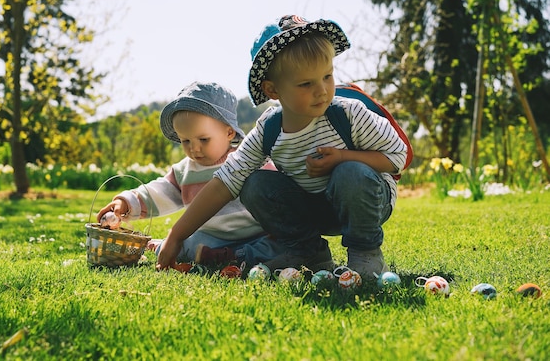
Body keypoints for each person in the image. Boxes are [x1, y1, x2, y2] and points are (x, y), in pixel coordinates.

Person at [156, 15, 408, 278]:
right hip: (313, 208)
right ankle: (309, 252)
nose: (322, 90)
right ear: (273, 89)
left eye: (327, 76)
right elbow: (225, 182)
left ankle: (365, 254)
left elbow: (397, 156)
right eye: (306, 84)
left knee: (350, 172)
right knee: (254, 184)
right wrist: (176, 235)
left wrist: (342, 158)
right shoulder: (270, 128)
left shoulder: (348, 115)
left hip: (366, 201)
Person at [97, 81, 284, 267]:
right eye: (185, 140)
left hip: (254, 235)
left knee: (276, 245)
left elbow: (275, 191)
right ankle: (221, 256)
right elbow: (159, 192)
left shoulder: (248, 159)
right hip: (211, 238)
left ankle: (226, 256)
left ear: (228, 132)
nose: (194, 148)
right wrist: (126, 202)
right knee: (183, 245)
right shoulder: (184, 172)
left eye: (203, 139)